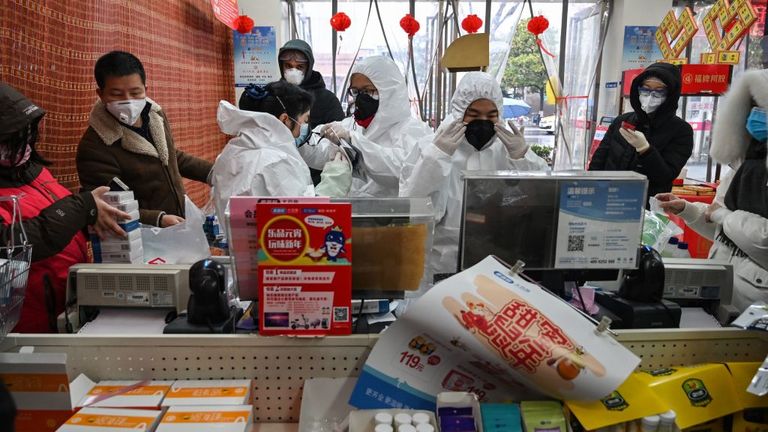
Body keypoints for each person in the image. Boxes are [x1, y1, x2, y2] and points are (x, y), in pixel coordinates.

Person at [0, 83, 129, 333]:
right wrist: (81, 207)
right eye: (12, 139)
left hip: (66, 307)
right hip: (28, 325)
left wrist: (94, 216)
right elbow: (14, 243)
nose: (24, 145)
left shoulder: (32, 171)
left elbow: (59, 218)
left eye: (27, 134)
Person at [400, 72, 549, 278]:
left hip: (499, 265)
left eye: (491, 116)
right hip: (440, 267)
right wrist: (434, 159)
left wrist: (523, 158)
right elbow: (410, 207)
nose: (483, 122)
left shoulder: (508, 149)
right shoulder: (430, 148)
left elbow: (545, 198)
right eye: (473, 114)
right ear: (459, 111)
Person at [656, 69, 768, 313]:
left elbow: (761, 238)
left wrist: (722, 216)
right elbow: (723, 231)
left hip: (757, 305)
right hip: (723, 292)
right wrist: (689, 210)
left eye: (762, 108)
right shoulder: (742, 165)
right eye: (751, 108)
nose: (755, 117)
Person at [77, 51, 213, 227]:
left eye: (135, 92)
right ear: (101, 94)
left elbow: (169, 156)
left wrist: (213, 172)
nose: (128, 101)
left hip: (176, 223)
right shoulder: (95, 146)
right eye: (117, 94)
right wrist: (157, 219)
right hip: (136, 237)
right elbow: (107, 206)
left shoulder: (155, 115)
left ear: (146, 89)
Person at [210, 81, 351, 224]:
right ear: (285, 119)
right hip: (268, 244)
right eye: (305, 120)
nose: (305, 127)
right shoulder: (277, 162)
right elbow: (300, 221)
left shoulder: (233, 150)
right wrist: (332, 185)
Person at [300, 56, 432, 198]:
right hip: (353, 214)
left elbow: (401, 171)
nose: (361, 98)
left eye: (368, 91)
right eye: (356, 91)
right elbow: (323, 153)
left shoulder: (413, 131)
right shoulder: (351, 125)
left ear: (389, 91)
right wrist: (301, 138)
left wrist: (355, 142)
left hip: (390, 216)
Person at [589, 62, 693, 199]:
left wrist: (645, 149)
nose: (651, 95)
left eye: (659, 90)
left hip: (646, 205)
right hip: (608, 198)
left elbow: (666, 175)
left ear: (671, 94)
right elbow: (598, 160)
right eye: (646, 89)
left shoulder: (681, 130)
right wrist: (592, 189)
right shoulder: (622, 121)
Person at [278, 39, 345, 130]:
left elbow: (338, 135)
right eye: (288, 66)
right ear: (281, 66)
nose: (293, 72)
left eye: (300, 67)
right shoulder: (274, 95)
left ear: (308, 68)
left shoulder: (327, 100)